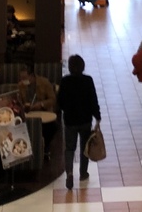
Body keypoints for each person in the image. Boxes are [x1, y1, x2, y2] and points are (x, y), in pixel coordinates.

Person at [56, 54, 101, 190]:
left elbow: (60, 101)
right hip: (85, 120)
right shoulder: (88, 80)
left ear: (70, 67)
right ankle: (83, 173)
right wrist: (97, 116)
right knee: (84, 147)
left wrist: (64, 110)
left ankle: (69, 173)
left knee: (69, 148)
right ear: (83, 66)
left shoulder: (65, 81)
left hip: (70, 120)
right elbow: (93, 99)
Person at [17, 64, 58, 160]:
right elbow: (19, 101)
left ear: (31, 76)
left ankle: (45, 148)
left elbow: (53, 99)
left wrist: (41, 104)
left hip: (44, 113)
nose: (22, 80)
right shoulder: (21, 86)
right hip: (28, 114)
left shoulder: (44, 83)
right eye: (21, 78)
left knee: (53, 127)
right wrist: (23, 106)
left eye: (24, 78)